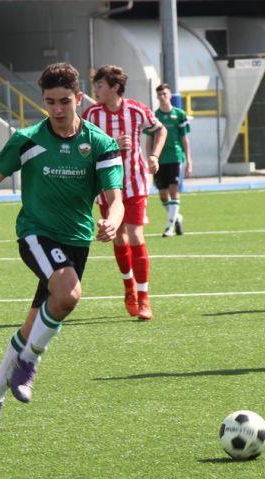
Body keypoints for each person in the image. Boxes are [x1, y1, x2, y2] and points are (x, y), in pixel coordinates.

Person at [0, 62, 124, 436]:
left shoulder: (100, 143)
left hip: (77, 242)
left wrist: (113, 220)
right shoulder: (28, 139)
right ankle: (30, 364)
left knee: (34, 323)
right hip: (36, 235)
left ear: (79, 99)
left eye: (64, 101)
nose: (56, 109)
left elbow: (115, 198)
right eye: (49, 102)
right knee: (69, 295)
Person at [83, 65, 166, 320]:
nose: (95, 90)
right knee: (119, 237)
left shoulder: (137, 109)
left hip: (136, 182)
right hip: (107, 187)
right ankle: (128, 286)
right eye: (95, 85)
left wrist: (154, 156)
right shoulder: (91, 114)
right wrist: (111, 144)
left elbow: (160, 129)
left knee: (136, 234)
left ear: (114, 87)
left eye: (99, 85)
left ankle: (143, 297)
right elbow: (83, 147)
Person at [146, 83, 192, 237]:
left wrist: (189, 161)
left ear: (170, 94)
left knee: (174, 190)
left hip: (175, 157)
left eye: (164, 93)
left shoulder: (179, 114)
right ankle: (176, 216)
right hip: (160, 159)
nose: (162, 96)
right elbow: (149, 140)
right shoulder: (154, 116)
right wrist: (150, 158)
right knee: (163, 195)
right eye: (159, 94)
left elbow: (185, 139)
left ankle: (169, 227)